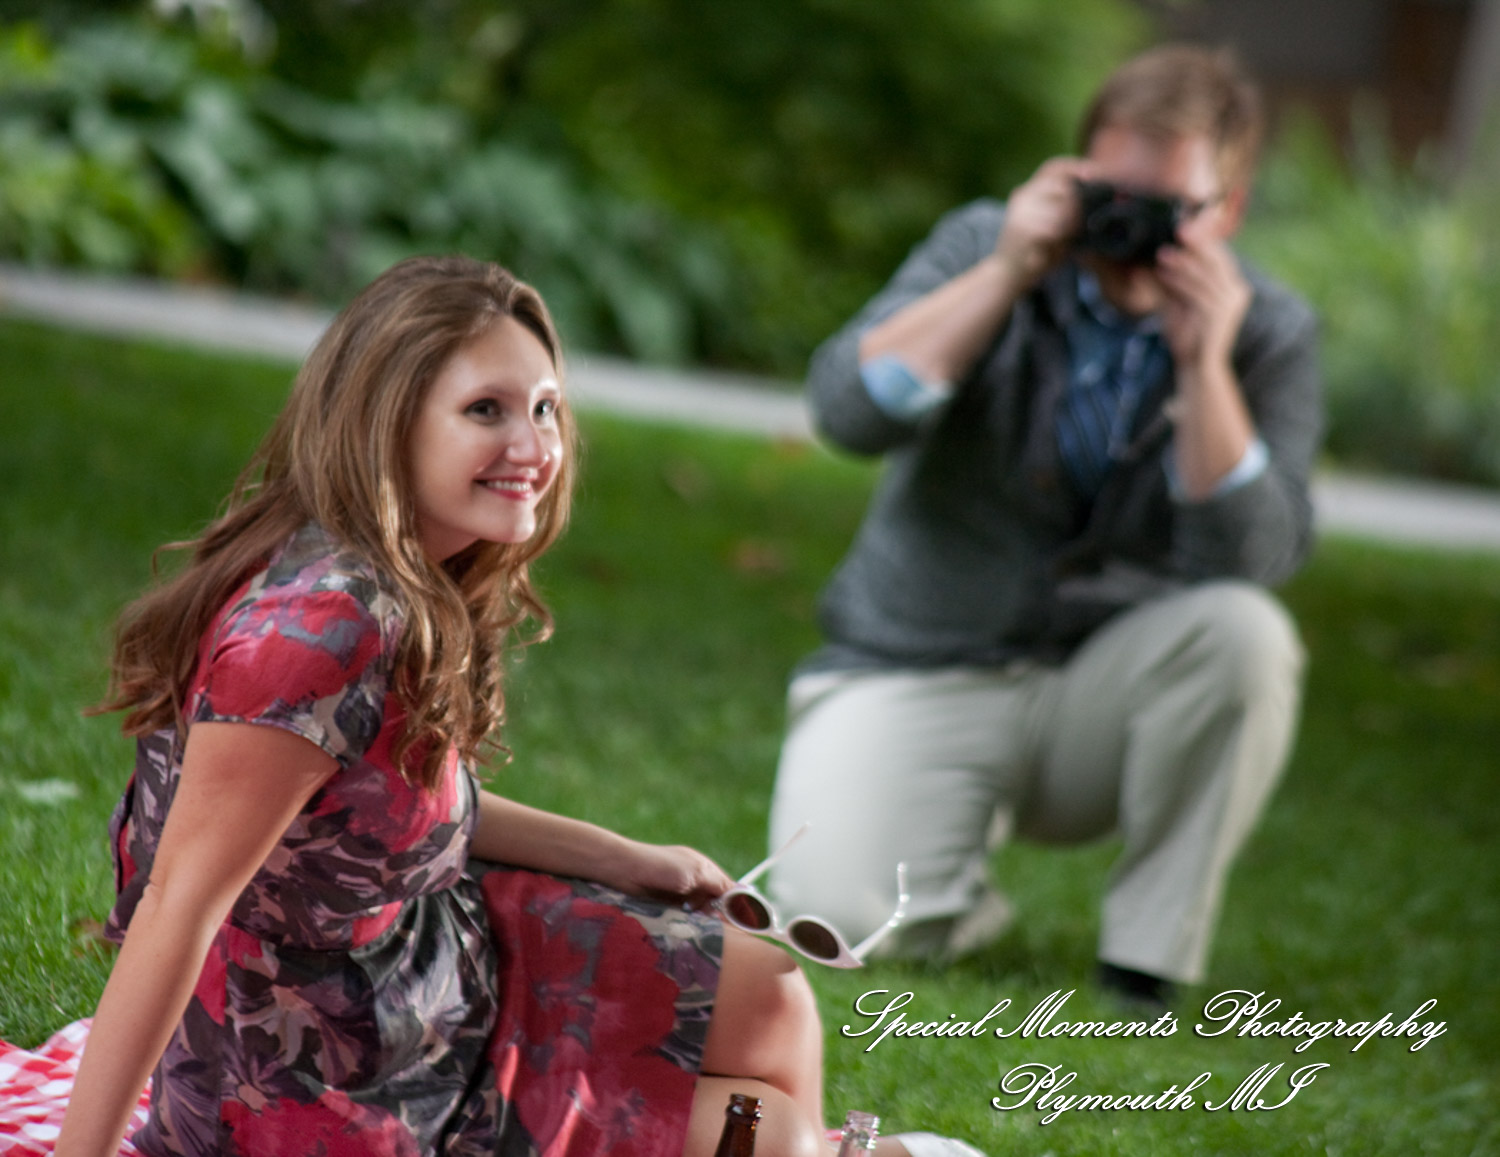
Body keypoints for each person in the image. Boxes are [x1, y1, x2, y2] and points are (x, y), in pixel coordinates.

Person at [52, 256, 982, 1157]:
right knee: (768, 1132)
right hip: (321, 1072)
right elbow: (177, 904)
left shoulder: (407, 579)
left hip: (430, 963)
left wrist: (629, 858)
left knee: (769, 985)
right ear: (387, 423)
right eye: (485, 411)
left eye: (544, 408)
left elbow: (376, 806)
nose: (535, 449)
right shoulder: (317, 635)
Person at [766, 44, 1322, 1006]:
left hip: (1104, 693)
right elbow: (849, 416)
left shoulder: (1267, 326)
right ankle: (949, 880)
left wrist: (1205, 368)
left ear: (1228, 210)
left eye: (1168, 210)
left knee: (1248, 635)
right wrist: (1007, 273)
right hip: (919, 657)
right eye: (1113, 196)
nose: (1130, 230)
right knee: (836, 920)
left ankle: (1146, 957)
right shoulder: (987, 245)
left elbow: (1254, 556)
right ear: (1072, 174)